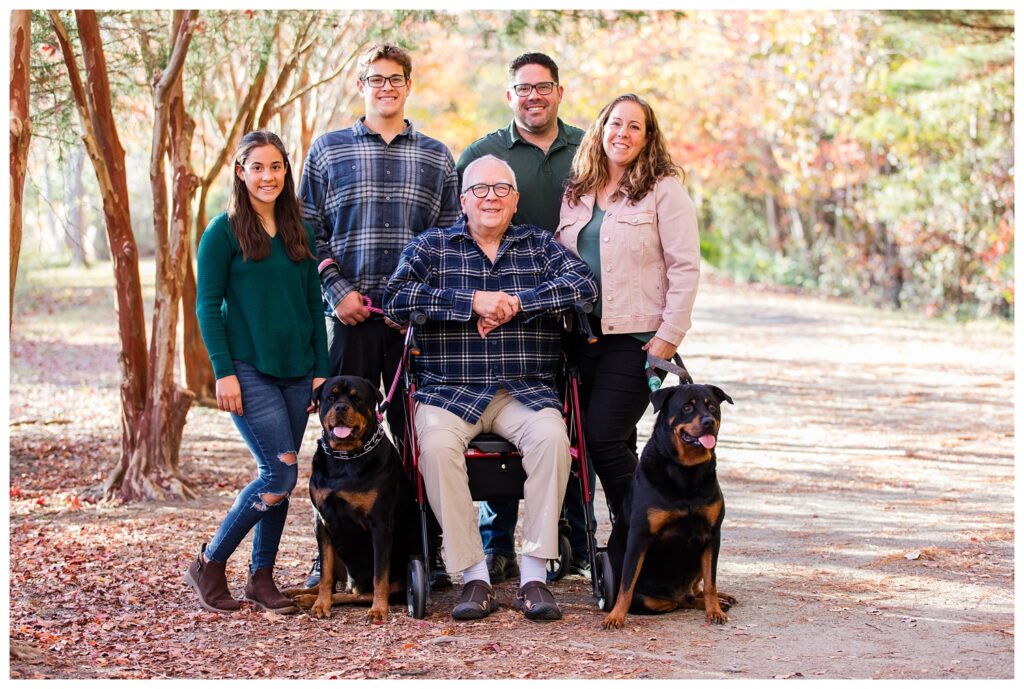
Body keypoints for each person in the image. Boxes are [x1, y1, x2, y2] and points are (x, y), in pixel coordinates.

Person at [383, 155, 597, 621]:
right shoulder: (433, 247)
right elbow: (395, 297)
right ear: (463, 200)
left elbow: (583, 285)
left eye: (502, 189)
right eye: (481, 190)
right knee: (435, 449)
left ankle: (535, 575)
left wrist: (517, 303)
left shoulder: (538, 246)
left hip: (524, 390)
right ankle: (474, 575)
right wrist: (471, 302)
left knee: (553, 440)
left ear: (516, 199)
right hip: (447, 391)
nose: (492, 198)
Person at [299, 43, 460, 590]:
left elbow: (448, 239)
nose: (385, 87)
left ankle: (424, 549)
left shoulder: (437, 156)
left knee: (417, 437)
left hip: (413, 325)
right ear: (361, 85)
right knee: (340, 432)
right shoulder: (327, 150)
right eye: (375, 79)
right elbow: (307, 231)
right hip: (351, 317)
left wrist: (421, 304)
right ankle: (335, 556)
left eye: (395, 79)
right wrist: (336, 289)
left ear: (408, 86)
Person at [456, 52, 592, 585]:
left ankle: (572, 545)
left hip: (564, 307)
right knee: (499, 424)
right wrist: (479, 302)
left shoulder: (586, 148)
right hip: (492, 317)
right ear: (510, 95)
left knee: (567, 425)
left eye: (543, 87)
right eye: (523, 88)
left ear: (558, 91)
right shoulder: (483, 153)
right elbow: (458, 236)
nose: (533, 96)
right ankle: (497, 549)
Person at [186, 129, 330, 614]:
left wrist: (320, 371)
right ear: (241, 172)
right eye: (257, 167)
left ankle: (262, 578)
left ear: (285, 171)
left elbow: (313, 303)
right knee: (279, 472)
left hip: (297, 370)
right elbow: (207, 307)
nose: (267, 176)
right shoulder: (221, 232)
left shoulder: (299, 231)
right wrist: (223, 372)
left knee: (281, 476)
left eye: (275, 167)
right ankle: (210, 561)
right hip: (248, 369)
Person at [555, 93, 701, 520]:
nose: (623, 133)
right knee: (588, 441)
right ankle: (617, 547)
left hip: (636, 339)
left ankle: (639, 532)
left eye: (635, 126)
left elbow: (685, 267)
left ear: (648, 137)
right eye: (615, 124)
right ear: (601, 130)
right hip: (579, 337)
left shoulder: (663, 190)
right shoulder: (577, 190)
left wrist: (668, 336)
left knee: (605, 438)